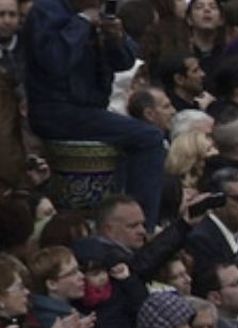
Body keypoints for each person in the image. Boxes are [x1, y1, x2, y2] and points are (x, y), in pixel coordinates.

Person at [23, 0, 165, 226]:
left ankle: (123, 218)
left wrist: (116, 38)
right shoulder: (47, 10)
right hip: (56, 110)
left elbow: (125, 62)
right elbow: (55, 61)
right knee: (149, 137)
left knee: (141, 138)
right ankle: (142, 224)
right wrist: (82, 22)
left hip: (91, 110)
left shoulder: (102, 11)